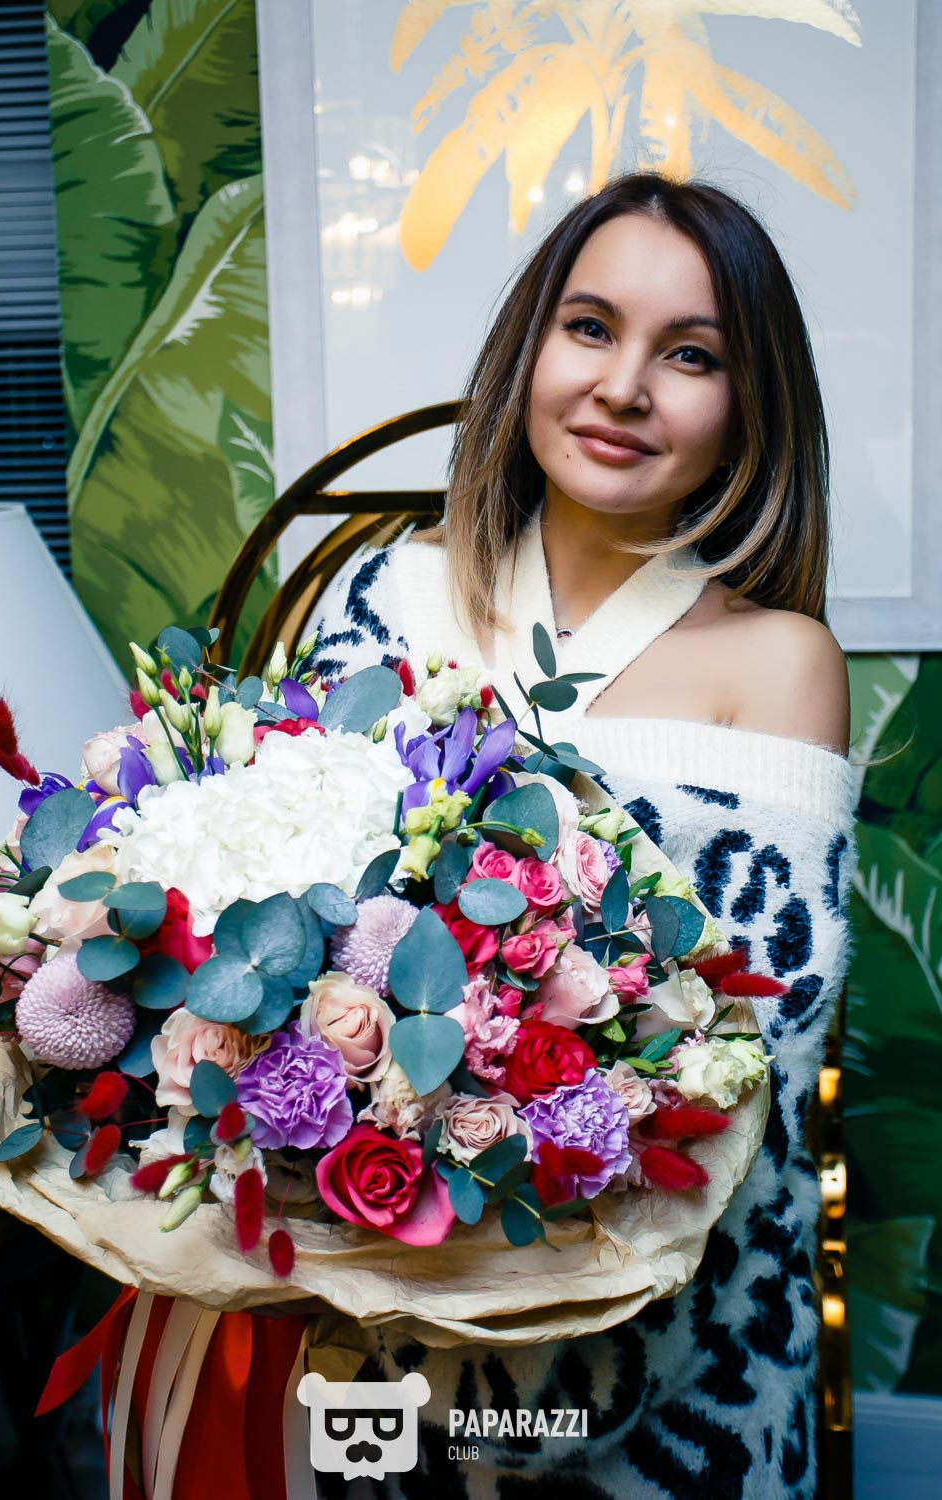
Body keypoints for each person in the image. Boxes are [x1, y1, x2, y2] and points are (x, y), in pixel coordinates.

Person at [307, 172, 857, 1500]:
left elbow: (750, 1060)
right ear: (530, 348)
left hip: (681, 1345)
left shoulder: (782, 661)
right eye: (592, 327)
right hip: (376, 1310)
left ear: (749, 407)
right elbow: (281, 922)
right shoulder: (379, 595)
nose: (624, 387)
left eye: (691, 355)